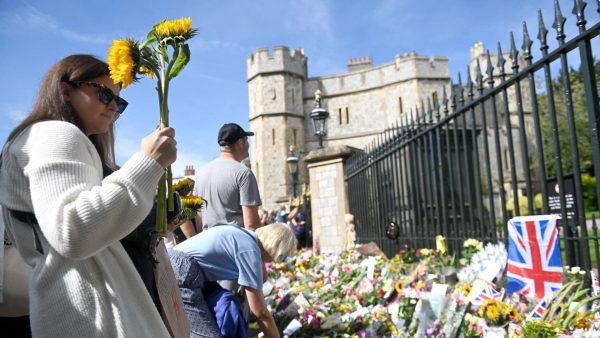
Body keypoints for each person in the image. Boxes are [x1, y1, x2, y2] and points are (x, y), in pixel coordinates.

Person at [0, 54, 176, 337]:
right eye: (104, 93)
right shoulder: (56, 133)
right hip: (92, 314)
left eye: (118, 101)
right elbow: (74, 230)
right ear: (66, 90)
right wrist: (147, 163)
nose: (112, 106)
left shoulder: (41, 137)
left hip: (77, 308)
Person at [169, 223, 297, 338]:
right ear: (276, 249)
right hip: (183, 270)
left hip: (174, 263)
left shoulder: (243, 236)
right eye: (282, 256)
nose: (276, 260)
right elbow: (261, 312)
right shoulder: (250, 251)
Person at [196, 123, 262, 231]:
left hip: (206, 242)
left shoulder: (201, 173)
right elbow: (251, 225)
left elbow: (199, 217)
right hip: (234, 243)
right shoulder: (243, 173)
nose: (248, 145)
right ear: (240, 142)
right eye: (246, 139)